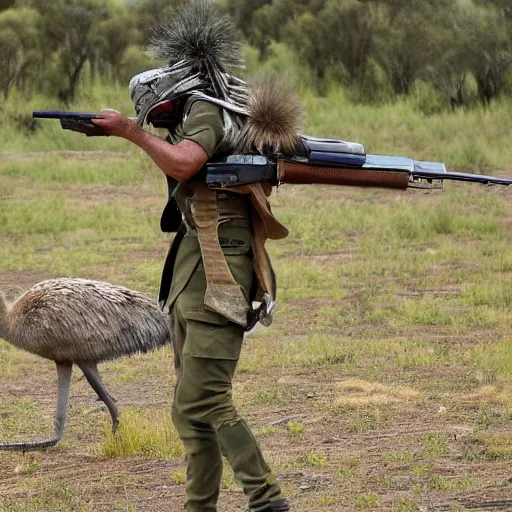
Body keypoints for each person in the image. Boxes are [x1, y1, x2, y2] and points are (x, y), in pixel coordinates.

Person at [92, 1, 300, 511]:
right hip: (195, 259)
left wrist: (130, 132)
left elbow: (187, 162)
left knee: (203, 398)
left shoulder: (205, 110)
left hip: (219, 260)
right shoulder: (200, 111)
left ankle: (266, 499)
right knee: (190, 412)